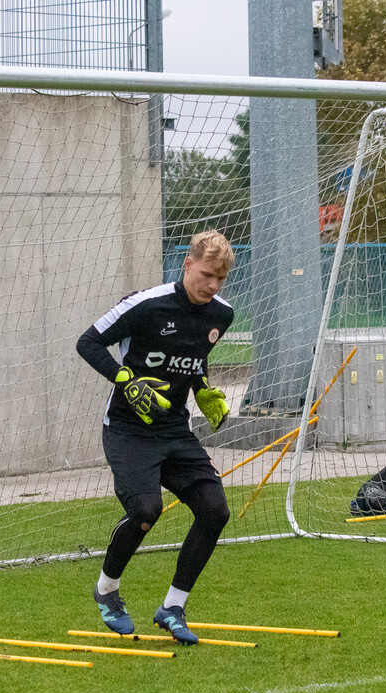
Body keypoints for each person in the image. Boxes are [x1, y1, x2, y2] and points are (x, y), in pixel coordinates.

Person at [75, 230, 235, 645]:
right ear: (187, 264)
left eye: (220, 278)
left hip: (174, 430)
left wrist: (203, 389)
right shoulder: (145, 304)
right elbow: (88, 342)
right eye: (206, 274)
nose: (212, 285)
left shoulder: (221, 314)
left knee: (215, 511)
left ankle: (173, 607)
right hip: (128, 430)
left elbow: (191, 359)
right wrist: (124, 379)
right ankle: (107, 590)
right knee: (147, 510)